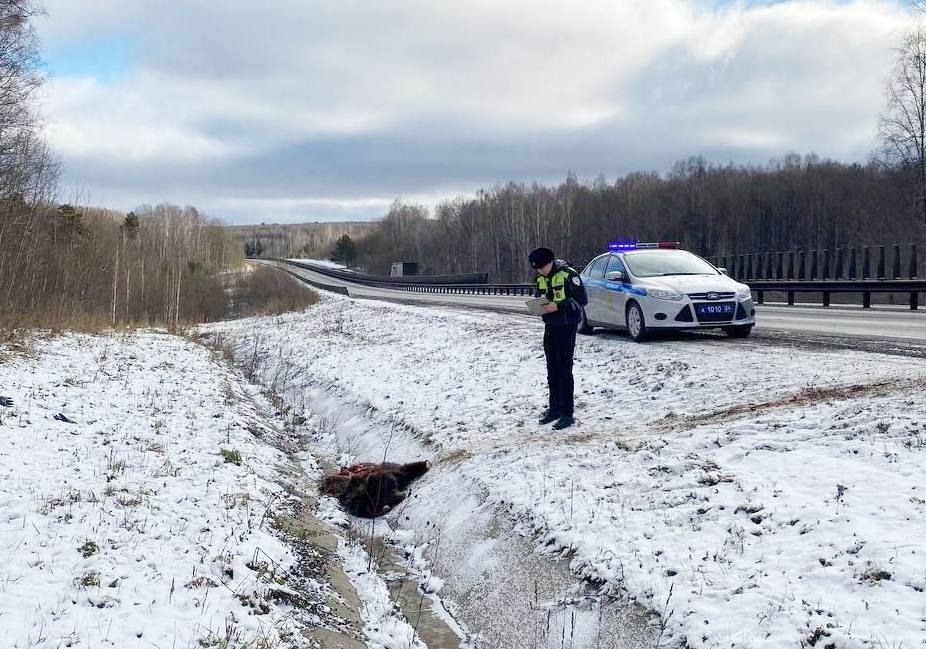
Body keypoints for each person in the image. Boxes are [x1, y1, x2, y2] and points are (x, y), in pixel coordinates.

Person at [528, 247, 587, 430]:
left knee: (564, 367)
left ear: (550, 262)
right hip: (550, 325)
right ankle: (554, 408)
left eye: (542, 268)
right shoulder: (539, 277)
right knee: (552, 367)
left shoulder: (568, 274)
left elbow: (581, 300)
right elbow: (539, 294)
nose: (540, 271)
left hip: (567, 325)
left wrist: (559, 306)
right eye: (537, 269)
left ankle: (567, 413)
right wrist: (539, 304)